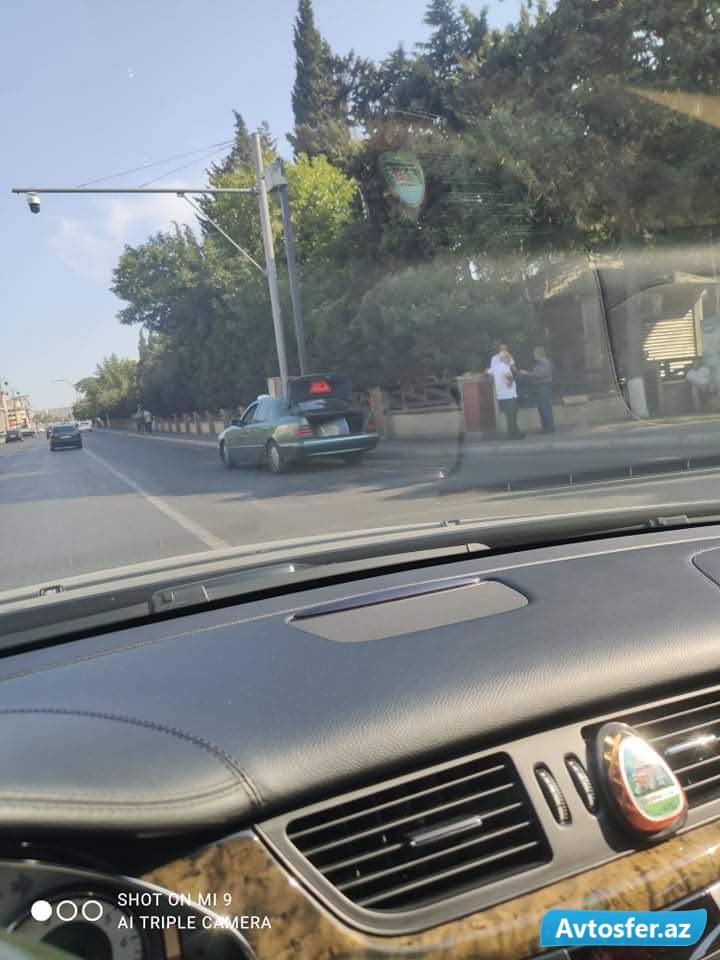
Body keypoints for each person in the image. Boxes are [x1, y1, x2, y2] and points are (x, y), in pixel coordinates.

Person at [490, 348, 525, 439]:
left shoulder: (496, 367)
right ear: (504, 358)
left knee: (509, 415)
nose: (509, 359)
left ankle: (517, 432)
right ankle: (512, 434)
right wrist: (510, 382)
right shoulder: (505, 367)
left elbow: (488, 371)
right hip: (510, 395)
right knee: (512, 415)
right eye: (508, 358)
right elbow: (509, 376)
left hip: (501, 396)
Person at [528, 346, 555, 433]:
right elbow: (536, 374)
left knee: (545, 407)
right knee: (541, 407)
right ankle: (545, 428)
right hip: (539, 386)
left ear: (540, 354)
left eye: (535, 354)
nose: (533, 356)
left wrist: (528, 374)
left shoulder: (546, 362)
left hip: (544, 386)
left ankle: (550, 428)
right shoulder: (538, 364)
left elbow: (541, 374)